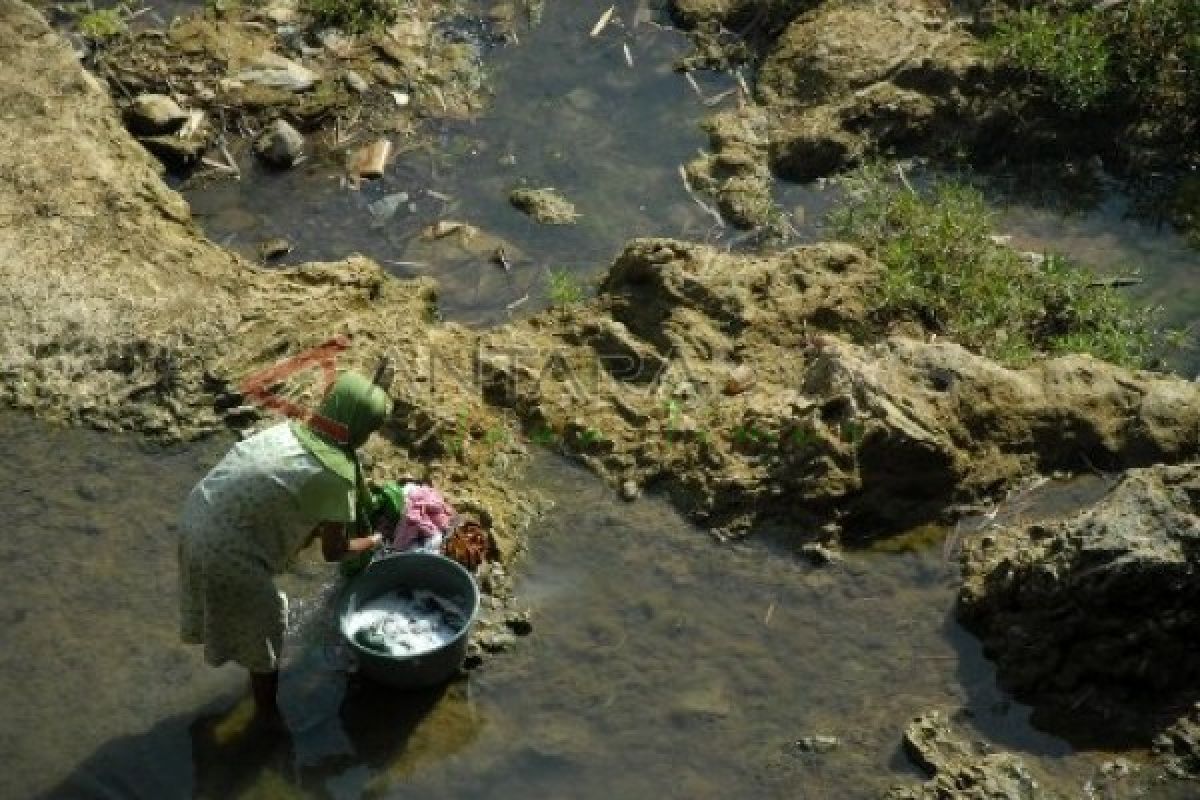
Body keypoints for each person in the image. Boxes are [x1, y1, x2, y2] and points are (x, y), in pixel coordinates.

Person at [177, 370, 391, 720]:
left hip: (196, 517)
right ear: (362, 429)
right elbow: (334, 552)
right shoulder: (335, 477)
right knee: (266, 628)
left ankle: (256, 693)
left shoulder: (286, 432)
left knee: (250, 621)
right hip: (226, 552)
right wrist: (375, 539)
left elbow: (285, 496)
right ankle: (266, 718)